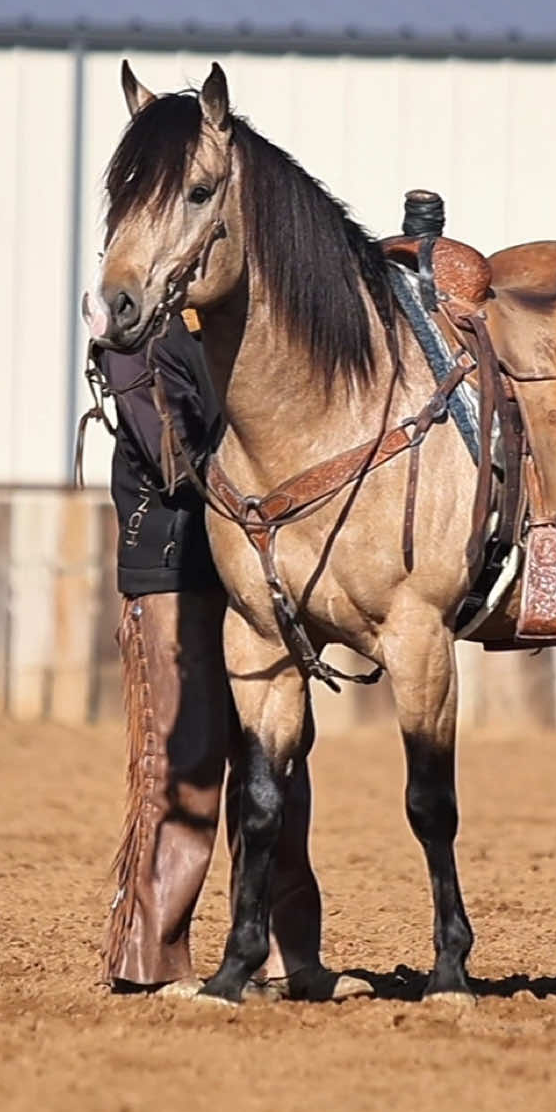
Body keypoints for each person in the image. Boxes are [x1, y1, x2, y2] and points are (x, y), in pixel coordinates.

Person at [90, 314, 366, 1001]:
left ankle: (288, 956)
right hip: (175, 569)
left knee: (277, 765)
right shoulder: (139, 344)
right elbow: (174, 458)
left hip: (260, 573)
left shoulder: (257, 335)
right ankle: (151, 960)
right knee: (179, 762)